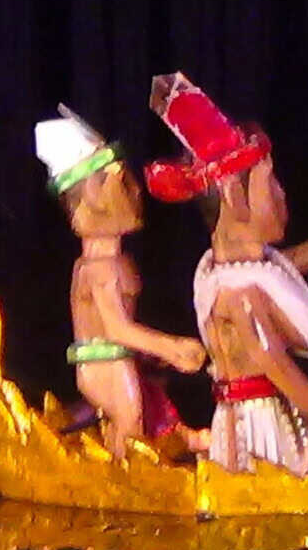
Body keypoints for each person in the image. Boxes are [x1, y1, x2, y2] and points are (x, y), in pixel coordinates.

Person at [143, 74, 308, 474]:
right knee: (271, 480)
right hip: (254, 422)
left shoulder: (245, 269)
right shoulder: (238, 293)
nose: (283, 195)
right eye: (272, 185)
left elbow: (291, 265)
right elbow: (270, 356)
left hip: (272, 407)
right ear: (233, 195)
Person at [36, 106, 206, 457]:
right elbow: (115, 328)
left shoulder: (114, 262)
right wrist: (170, 348)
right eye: (107, 180)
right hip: (103, 363)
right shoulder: (99, 268)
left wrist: (150, 352)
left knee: (135, 421)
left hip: (117, 359)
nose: (128, 187)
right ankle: (124, 482)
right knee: (130, 424)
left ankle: (126, 470)